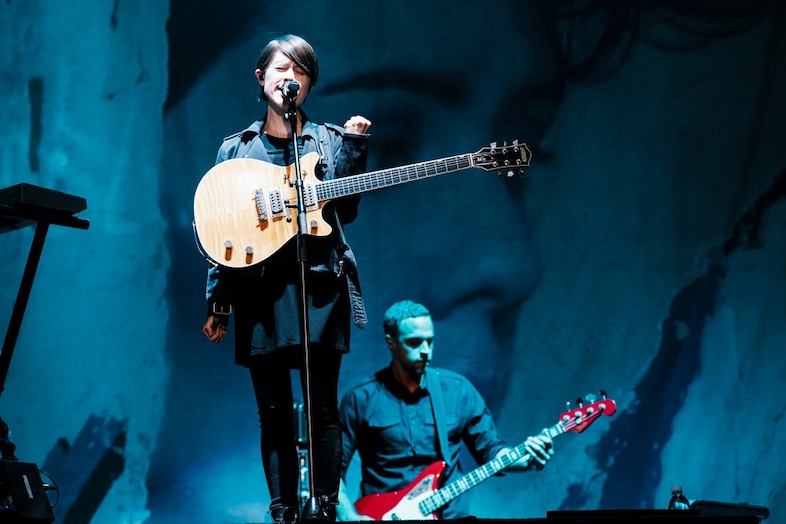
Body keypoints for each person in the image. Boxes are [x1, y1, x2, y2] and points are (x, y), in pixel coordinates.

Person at [200, 34, 372, 524]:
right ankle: (283, 511)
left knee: (323, 408)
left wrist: (355, 147)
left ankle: (324, 508)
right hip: (260, 293)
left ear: (309, 84)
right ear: (261, 78)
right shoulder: (236, 150)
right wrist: (218, 303)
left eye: (300, 71)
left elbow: (346, 209)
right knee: (273, 411)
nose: (289, 79)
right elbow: (219, 231)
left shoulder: (329, 140)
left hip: (318, 288)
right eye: (280, 69)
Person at [336, 300, 554, 520]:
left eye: (429, 341)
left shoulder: (457, 391)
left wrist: (526, 461)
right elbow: (331, 471)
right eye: (414, 342)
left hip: (449, 515)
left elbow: (491, 449)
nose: (425, 351)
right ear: (391, 342)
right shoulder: (360, 398)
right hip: (382, 516)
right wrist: (348, 517)